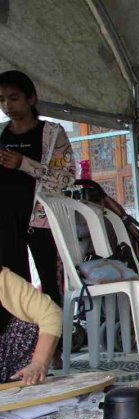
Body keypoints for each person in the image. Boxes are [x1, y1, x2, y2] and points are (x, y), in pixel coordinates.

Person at [0, 70, 76, 307]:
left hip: (44, 220)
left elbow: (66, 177)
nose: (7, 105)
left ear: (31, 98)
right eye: (1, 100)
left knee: (51, 284)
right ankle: (21, 331)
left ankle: (56, 329)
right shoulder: (1, 133)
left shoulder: (52, 133)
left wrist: (23, 163)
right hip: (6, 221)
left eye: (13, 98)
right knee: (13, 287)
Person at [0, 256, 62, 385]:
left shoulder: (2, 279)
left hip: (6, 363)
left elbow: (50, 313)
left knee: (26, 324)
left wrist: (39, 362)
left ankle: (23, 378)